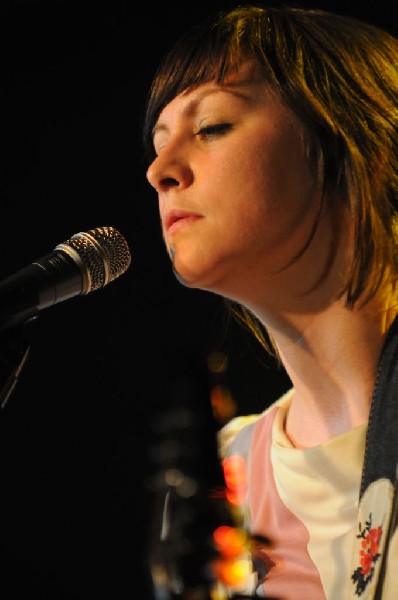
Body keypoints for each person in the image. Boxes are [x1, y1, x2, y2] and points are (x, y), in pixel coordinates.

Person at [143, 2, 398, 598]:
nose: (160, 169)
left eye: (211, 127)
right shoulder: (223, 479)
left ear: (362, 143)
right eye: (158, 143)